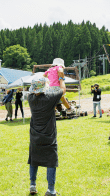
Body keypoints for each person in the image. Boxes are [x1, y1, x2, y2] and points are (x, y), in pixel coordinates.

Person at [27, 66, 67, 196]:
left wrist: (44, 77)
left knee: (34, 160)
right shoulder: (49, 99)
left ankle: (32, 185)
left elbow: (37, 89)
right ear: (45, 87)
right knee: (51, 161)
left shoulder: (30, 98)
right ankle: (51, 190)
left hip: (34, 136)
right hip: (49, 136)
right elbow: (62, 90)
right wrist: (60, 77)